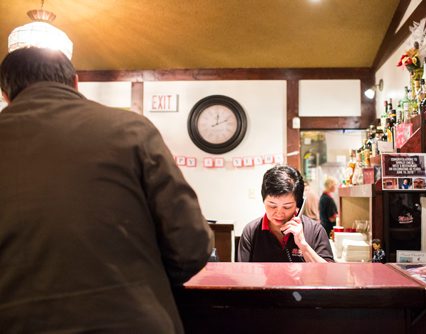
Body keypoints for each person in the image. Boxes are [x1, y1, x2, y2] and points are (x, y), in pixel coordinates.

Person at [0, 47, 213, 333]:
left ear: (5, 94)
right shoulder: (131, 129)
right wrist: (145, 283)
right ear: (75, 83)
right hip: (134, 321)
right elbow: (192, 244)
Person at [238, 165, 333, 263]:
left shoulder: (315, 231)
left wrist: (303, 245)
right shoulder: (251, 232)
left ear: (299, 204)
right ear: (263, 200)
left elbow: (327, 274)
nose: (279, 213)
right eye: (272, 205)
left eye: (287, 207)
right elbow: (243, 274)